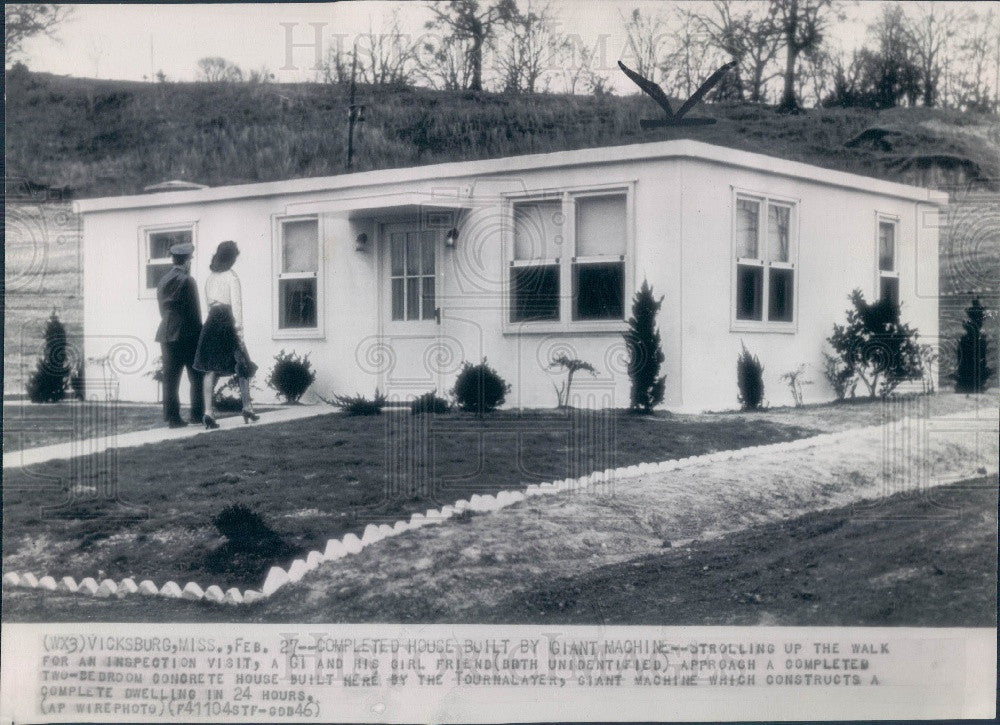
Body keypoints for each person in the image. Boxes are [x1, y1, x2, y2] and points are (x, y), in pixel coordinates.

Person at [193, 240, 258, 428]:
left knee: (210, 368)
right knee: (242, 364)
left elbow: (208, 306)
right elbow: (236, 307)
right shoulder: (232, 276)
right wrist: (239, 333)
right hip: (227, 322)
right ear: (231, 258)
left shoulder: (210, 278)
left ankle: (208, 412)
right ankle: (247, 407)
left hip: (211, 323)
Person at [154, 241, 204, 428]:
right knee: (196, 376)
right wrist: (200, 336)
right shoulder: (188, 280)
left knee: (170, 378)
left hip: (166, 333)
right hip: (187, 335)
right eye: (190, 259)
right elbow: (194, 312)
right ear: (186, 261)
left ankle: (173, 418)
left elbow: (162, 309)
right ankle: (197, 416)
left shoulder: (163, 280)